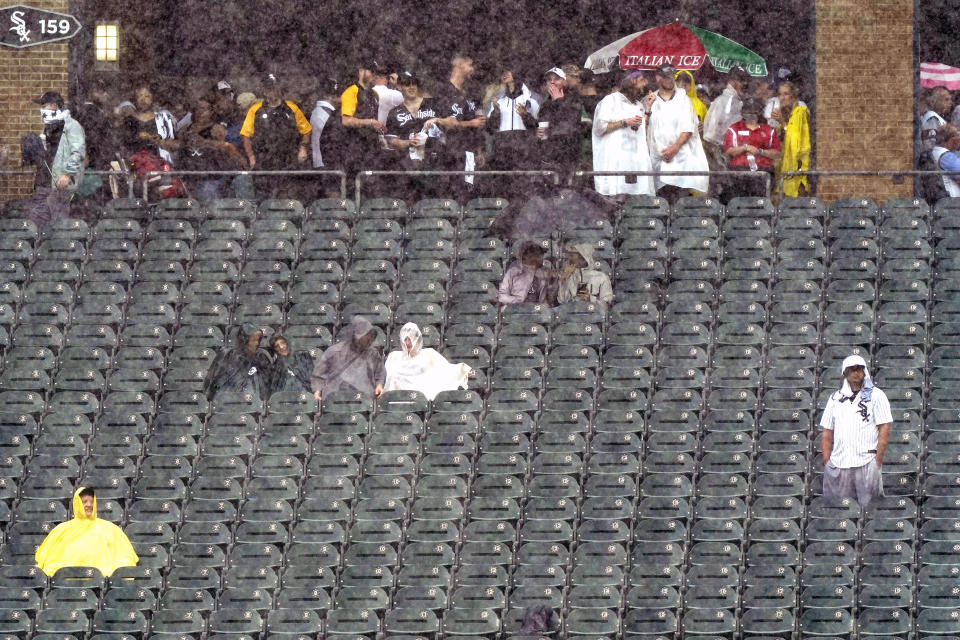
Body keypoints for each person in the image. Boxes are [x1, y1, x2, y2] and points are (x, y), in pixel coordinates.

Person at [819, 355, 892, 508]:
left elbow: (884, 428)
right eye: (852, 369)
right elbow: (827, 431)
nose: (856, 373)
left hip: (866, 462)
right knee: (840, 509)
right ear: (845, 373)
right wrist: (827, 460)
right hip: (840, 462)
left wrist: (877, 460)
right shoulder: (834, 399)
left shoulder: (877, 396)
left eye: (859, 369)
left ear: (864, 371)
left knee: (871, 509)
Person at [35, 487, 138, 577]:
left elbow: (123, 555)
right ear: (77, 504)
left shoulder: (110, 528)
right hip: (66, 578)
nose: (89, 505)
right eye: (84, 501)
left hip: (99, 578)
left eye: (92, 501)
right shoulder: (62, 529)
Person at [240, 73, 312, 198]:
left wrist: (303, 148)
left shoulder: (292, 108)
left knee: (288, 196)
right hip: (264, 161)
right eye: (268, 88)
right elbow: (246, 135)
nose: (271, 91)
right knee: (264, 197)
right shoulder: (255, 110)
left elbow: (306, 130)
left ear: (280, 89)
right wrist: (252, 158)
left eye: (274, 87)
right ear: (263, 90)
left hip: (288, 161)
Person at [647, 64, 710, 201]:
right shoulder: (651, 100)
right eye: (667, 78)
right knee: (660, 202)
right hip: (658, 159)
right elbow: (644, 128)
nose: (670, 81)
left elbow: (687, 129)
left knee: (681, 201)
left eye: (672, 78)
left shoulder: (683, 100)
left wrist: (674, 148)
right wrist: (647, 108)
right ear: (658, 78)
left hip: (681, 158)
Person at [591, 70, 655, 198]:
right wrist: (624, 122)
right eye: (642, 80)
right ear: (632, 80)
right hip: (616, 168)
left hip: (636, 166)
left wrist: (647, 109)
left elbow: (641, 130)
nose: (645, 84)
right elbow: (599, 128)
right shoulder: (610, 101)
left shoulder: (638, 105)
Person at [28, 91, 86, 227]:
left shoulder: (71, 126)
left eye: (44, 106)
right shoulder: (48, 128)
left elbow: (78, 152)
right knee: (37, 221)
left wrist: (67, 174)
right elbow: (48, 155)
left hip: (59, 185)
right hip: (44, 183)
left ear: (54, 106)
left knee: (58, 223)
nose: (41, 110)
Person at [383, 71, 444, 200]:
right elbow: (391, 140)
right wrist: (407, 142)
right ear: (400, 86)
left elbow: (449, 125)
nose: (411, 87)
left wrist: (438, 121)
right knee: (408, 201)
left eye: (414, 83)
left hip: (434, 163)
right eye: (406, 84)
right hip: (407, 166)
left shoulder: (434, 105)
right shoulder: (394, 113)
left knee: (434, 202)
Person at [436, 54, 487, 194]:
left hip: (469, 152)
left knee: (468, 191)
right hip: (450, 151)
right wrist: (470, 123)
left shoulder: (471, 93)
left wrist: (479, 150)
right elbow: (445, 123)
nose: (472, 69)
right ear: (459, 64)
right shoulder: (443, 91)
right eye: (470, 65)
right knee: (450, 193)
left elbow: (478, 124)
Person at [384, 323, 472, 401]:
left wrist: (462, 370)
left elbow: (445, 369)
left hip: (423, 398)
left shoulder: (429, 354)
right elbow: (388, 378)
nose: (407, 343)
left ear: (417, 339)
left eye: (410, 339)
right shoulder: (394, 357)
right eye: (405, 339)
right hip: (399, 399)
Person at [311, 315, 385, 402]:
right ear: (356, 336)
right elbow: (319, 374)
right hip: (336, 400)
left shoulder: (373, 353)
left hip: (363, 401)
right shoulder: (334, 351)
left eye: (371, 336)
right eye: (367, 336)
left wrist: (379, 385)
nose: (370, 339)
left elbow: (380, 373)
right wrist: (317, 391)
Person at [721, 98, 781, 200]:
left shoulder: (768, 130)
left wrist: (760, 151)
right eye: (748, 111)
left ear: (759, 112)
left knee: (761, 203)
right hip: (739, 172)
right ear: (743, 112)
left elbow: (777, 153)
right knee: (739, 203)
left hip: (763, 172)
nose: (751, 114)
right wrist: (744, 148)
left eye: (754, 111)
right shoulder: (734, 128)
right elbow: (728, 151)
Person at [702, 67, 749, 195]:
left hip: (725, 152)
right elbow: (711, 135)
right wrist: (721, 157)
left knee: (724, 190)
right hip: (718, 151)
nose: (744, 84)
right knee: (720, 189)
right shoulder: (727, 101)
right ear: (733, 82)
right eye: (741, 81)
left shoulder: (732, 100)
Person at [485, 66, 539, 173]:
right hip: (502, 152)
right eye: (502, 72)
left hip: (523, 152)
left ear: (517, 72)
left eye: (508, 70)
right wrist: (496, 113)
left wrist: (525, 115)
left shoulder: (531, 99)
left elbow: (538, 127)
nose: (504, 74)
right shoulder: (498, 101)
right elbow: (490, 129)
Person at [340, 60, 387, 184]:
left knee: (372, 183)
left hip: (371, 148)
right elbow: (346, 121)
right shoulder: (351, 91)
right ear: (361, 71)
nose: (375, 75)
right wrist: (370, 122)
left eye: (377, 73)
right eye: (372, 71)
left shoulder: (374, 94)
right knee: (354, 183)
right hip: (353, 148)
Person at [536, 67, 584, 181]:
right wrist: (537, 132)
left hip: (567, 153)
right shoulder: (546, 104)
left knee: (567, 187)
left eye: (556, 79)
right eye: (549, 79)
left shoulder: (574, 99)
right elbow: (542, 124)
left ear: (564, 82)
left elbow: (570, 126)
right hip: (548, 152)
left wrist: (559, 101)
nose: (552, 82)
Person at [203, 324, 272, 401]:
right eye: (253, 340)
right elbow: (212, 380)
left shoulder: (262, 357)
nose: (257, 343)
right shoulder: (227, 355)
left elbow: (266, 384)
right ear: (244, 340)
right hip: (224, 400)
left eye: (258, 340)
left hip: (250, 401)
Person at [771, 81, 811, 198]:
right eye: (780, 94)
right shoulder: (785, 114)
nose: (782, 98)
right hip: (783, 167)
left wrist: (782, 123)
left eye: (785, 94)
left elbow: (795, 139)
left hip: (796, 166)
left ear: (793, 96)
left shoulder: (800, 112)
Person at [128, 86, 179, 164]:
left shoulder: (163, 119)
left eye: (147, 96)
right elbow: (124, 144)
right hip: (134, 164)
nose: (143, 99)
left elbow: (176, 143)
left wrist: (161, 142)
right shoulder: (129, 120)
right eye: (140, 96)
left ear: (152, 99)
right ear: (135, 99)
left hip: (159, 165)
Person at [74, 78, 116, 171]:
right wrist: (86, 155)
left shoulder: (94, 111)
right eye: (101, 92)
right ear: (91, 93)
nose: (106, 95)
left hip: (98, 158)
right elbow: (88, 137)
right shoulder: (89, 112)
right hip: (94, 160)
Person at [556, 242, 613, 309]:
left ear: (583, 257)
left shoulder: (601, 277)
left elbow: (607, 304)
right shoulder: (570, 276)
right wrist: (563, 280)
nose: (569, 259)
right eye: (569, 255)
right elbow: (561, 301)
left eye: (572, 255)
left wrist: (590, 300)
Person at [920, 86, 953, 151]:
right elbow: (929, 145)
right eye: (946, 99)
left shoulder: (936, 116)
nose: (950, 103)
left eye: (950, 99)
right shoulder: (932, 117)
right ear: (936, 101)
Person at [931, 124, 960, 198]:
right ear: (951, 138)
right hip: (952, 202)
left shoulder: (935, 151)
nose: (959, 139)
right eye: (957, 136)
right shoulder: (947, 157)